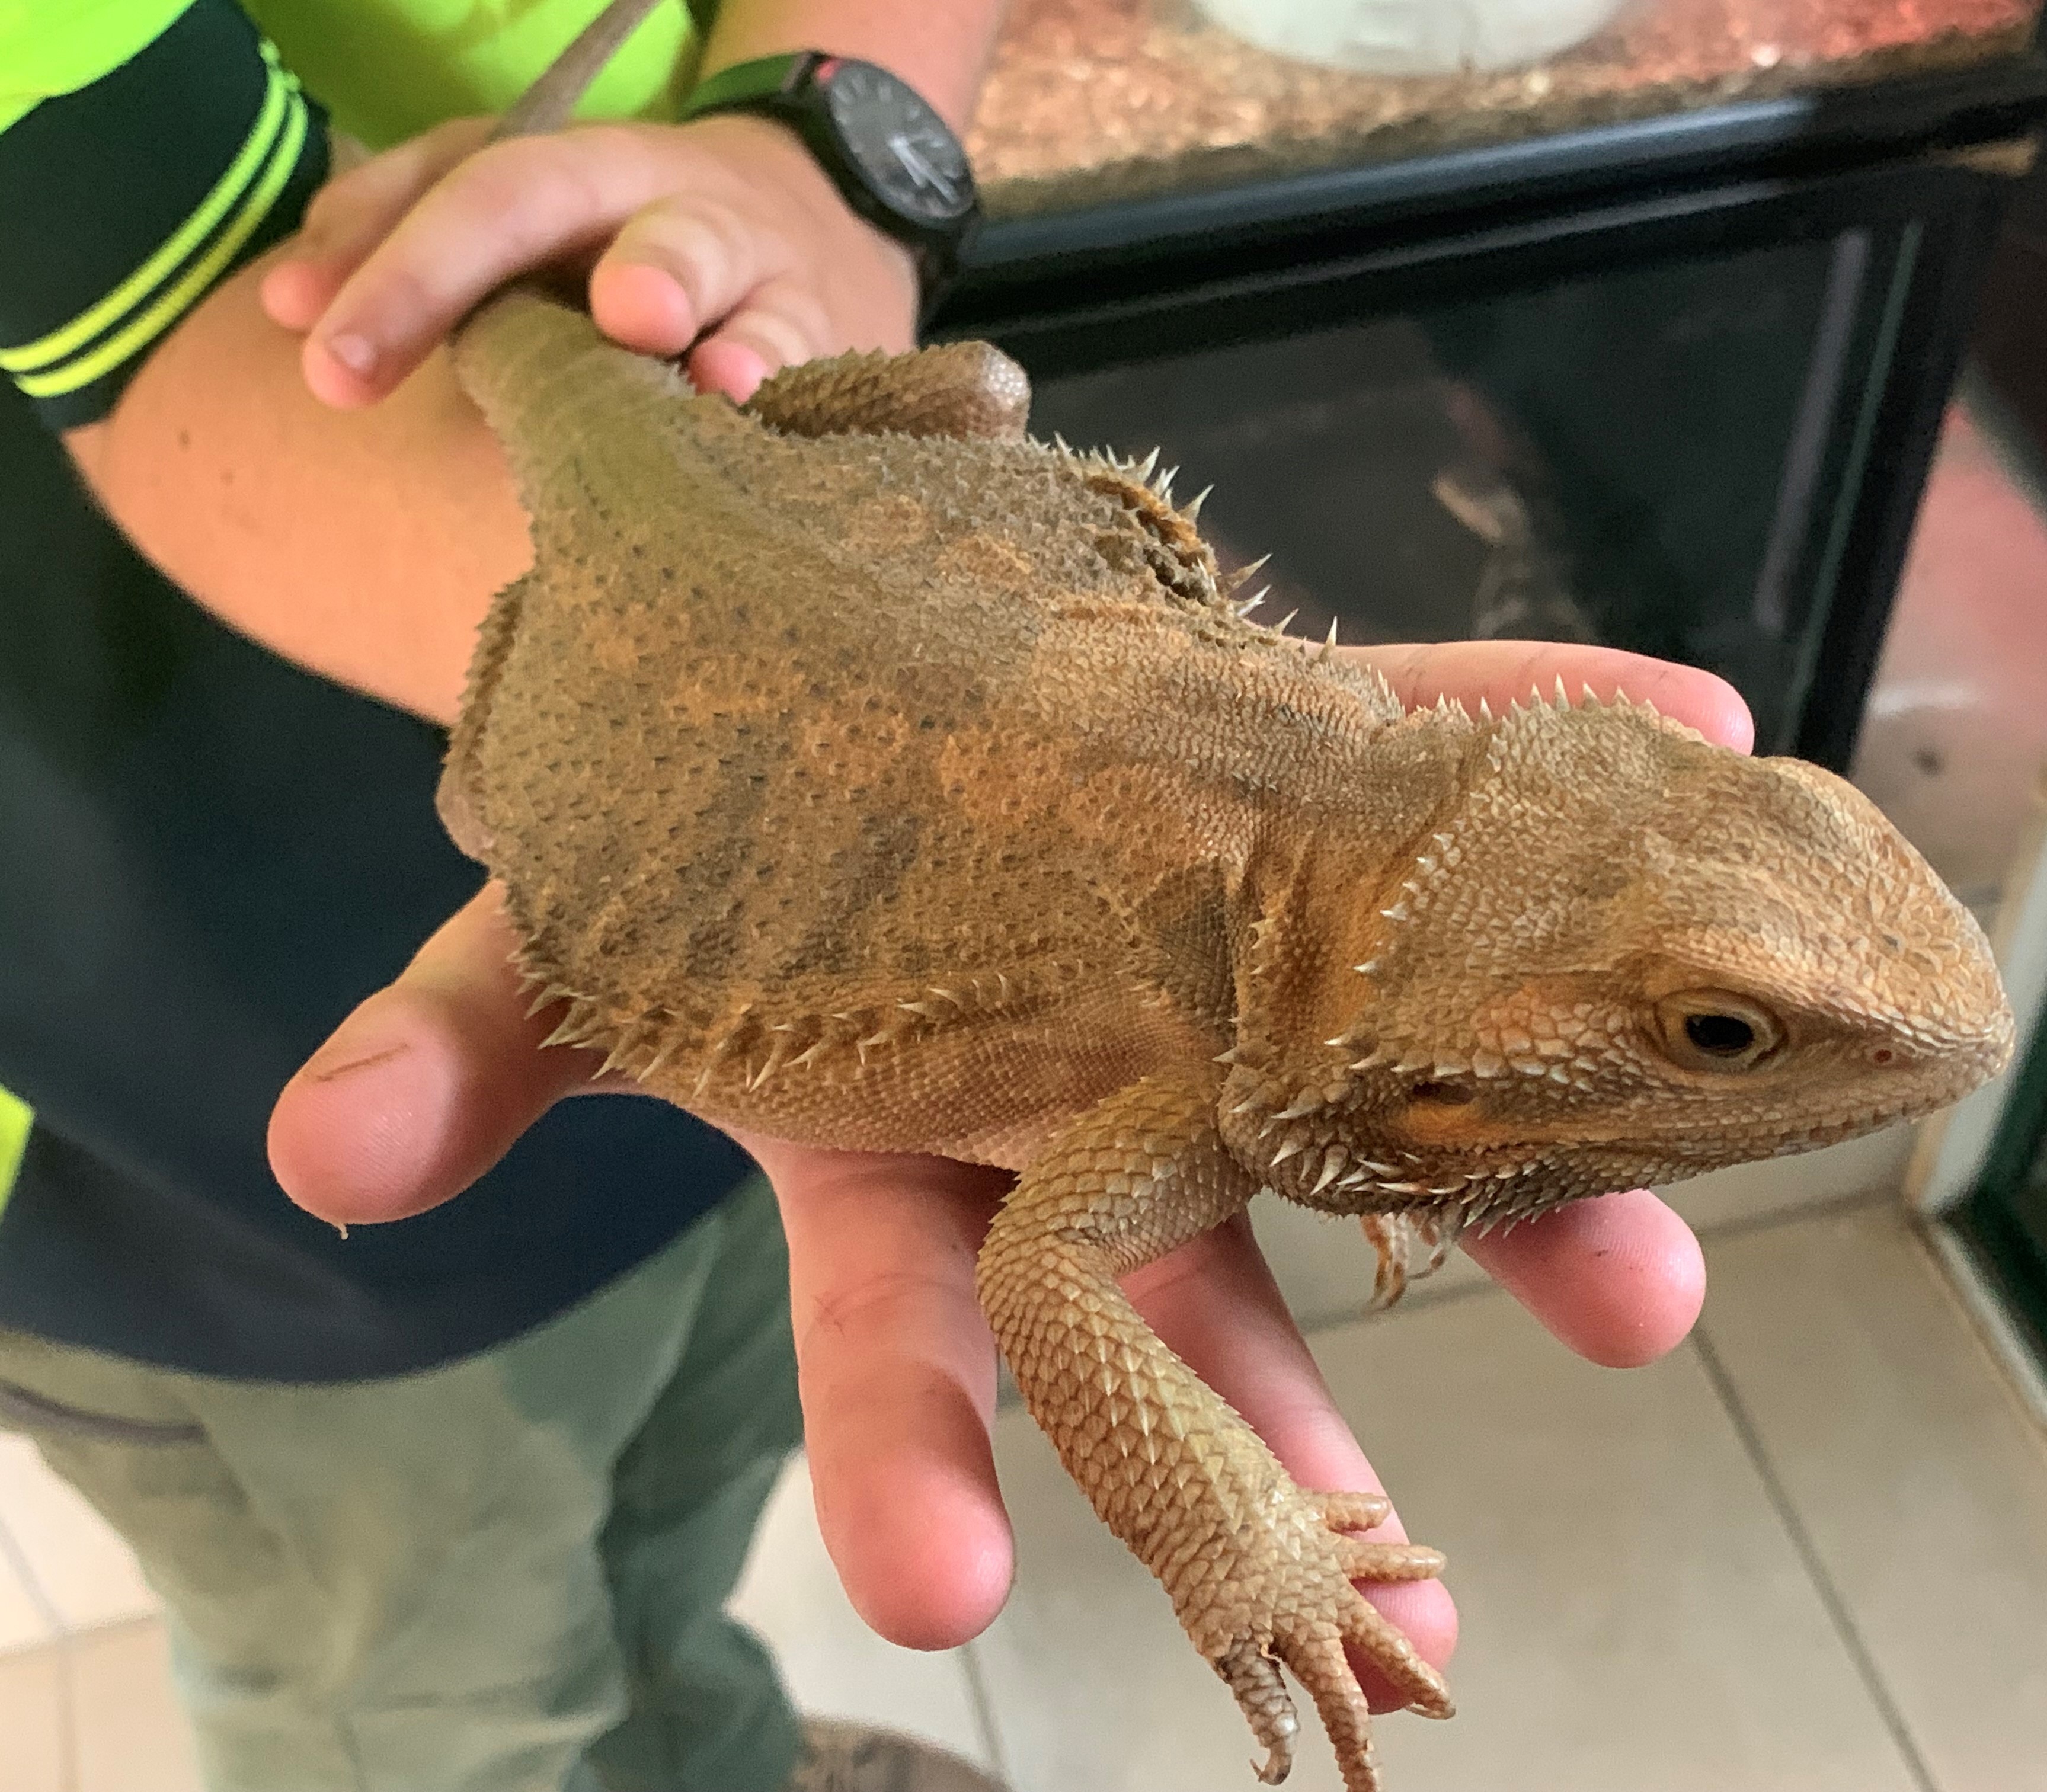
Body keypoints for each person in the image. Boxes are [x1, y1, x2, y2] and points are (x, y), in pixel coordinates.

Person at [0, 2, 1727, 1788]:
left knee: (688, 1512)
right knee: (428, 1688)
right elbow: (1049, 1271)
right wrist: (1243, 1550)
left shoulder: (1305, 893)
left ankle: (716, 1762)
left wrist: (821, 142)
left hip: (721, 1052)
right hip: (192, 1113)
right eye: (1719, 1032)